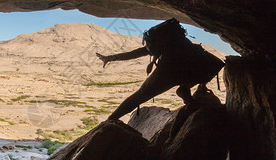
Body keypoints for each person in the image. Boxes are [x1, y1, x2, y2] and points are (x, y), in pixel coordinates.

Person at [96, 18, 225, 120]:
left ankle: (111, 119)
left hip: (169, 67)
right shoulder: (181, 42)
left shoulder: (167, 46)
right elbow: (217, 64)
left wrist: (111, 58)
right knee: (216, 64)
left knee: (141, 95)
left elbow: (138, 52)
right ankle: (186, 89)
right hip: (194, 59)